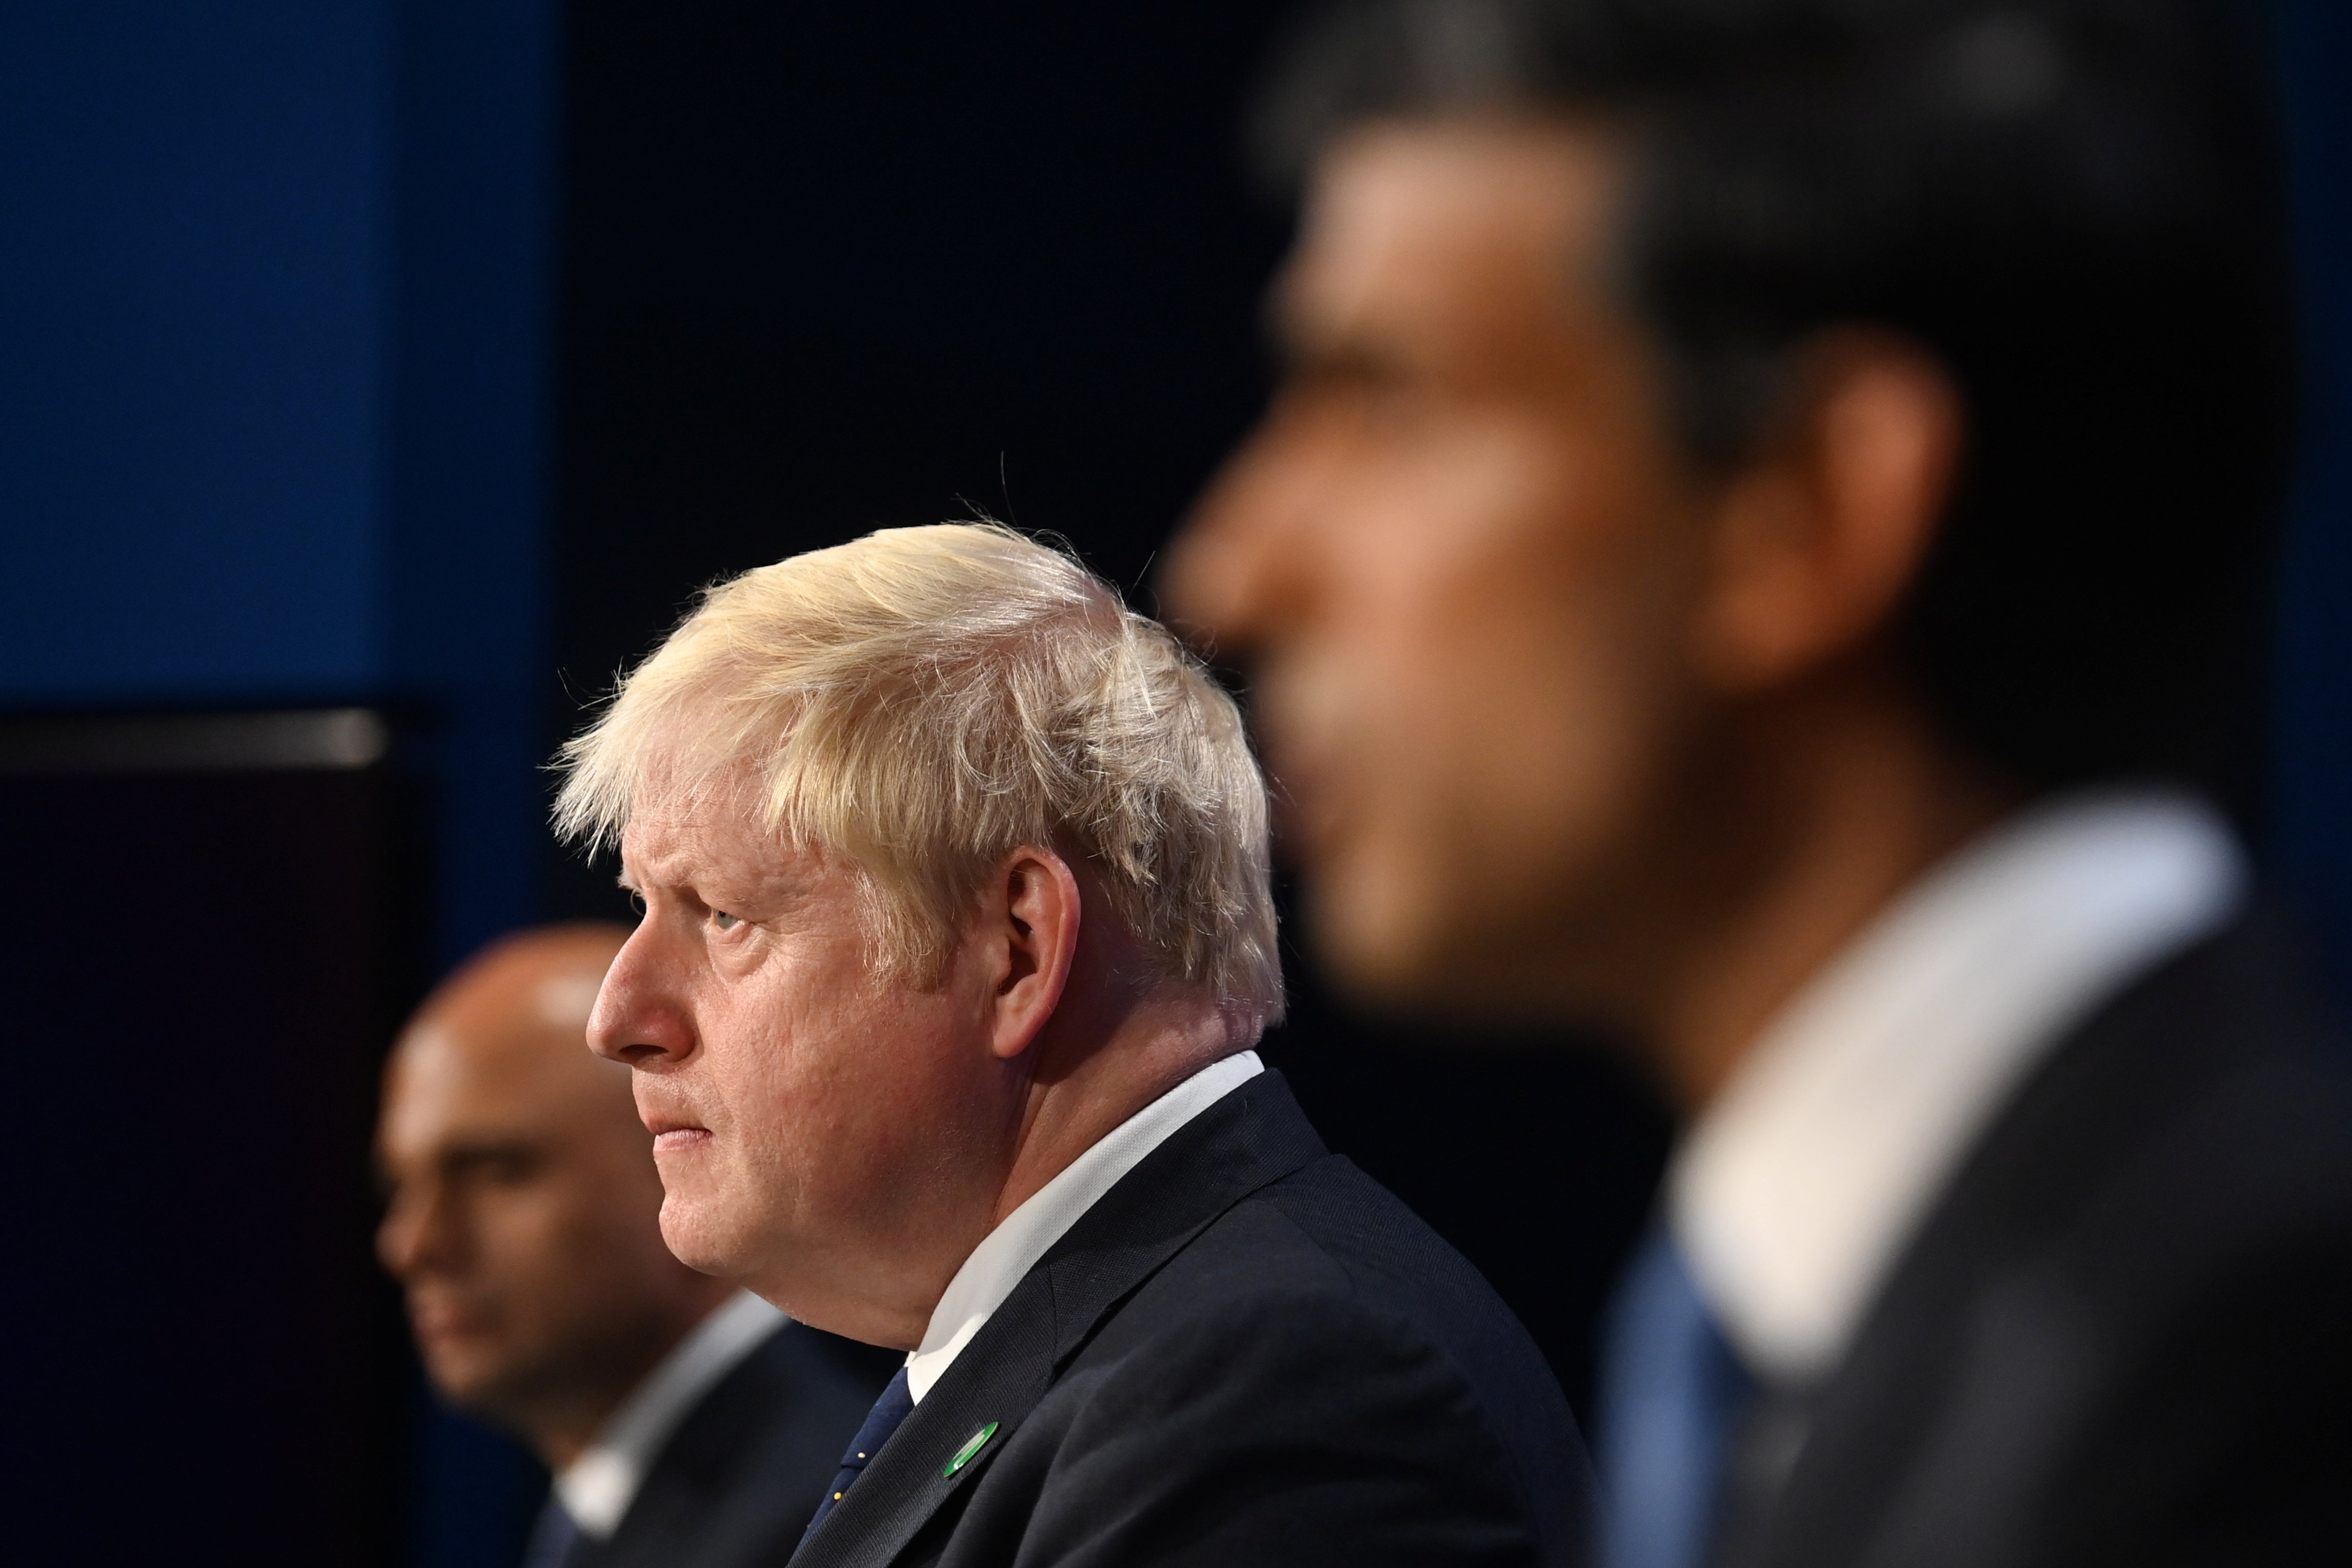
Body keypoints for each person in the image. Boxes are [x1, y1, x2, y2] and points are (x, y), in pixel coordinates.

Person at [1164, 2, 2352, 1566]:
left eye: (1384, 400)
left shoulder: (2253, 1374)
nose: (1229, 570)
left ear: (1806, 507)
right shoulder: (1855, 1329)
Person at [552, 522, 1591, 1568]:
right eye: (642, 908)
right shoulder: (1115, 1350)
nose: (619, 1017)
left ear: (1014, 946)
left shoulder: (1273, 1391)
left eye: (722, 913)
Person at [376, 923, 895, 1568]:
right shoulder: (627, 1504)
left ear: (675, 1150)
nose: (413, 1245)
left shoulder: (817, 1521)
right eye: (401, 1185)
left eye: (494, 1170)